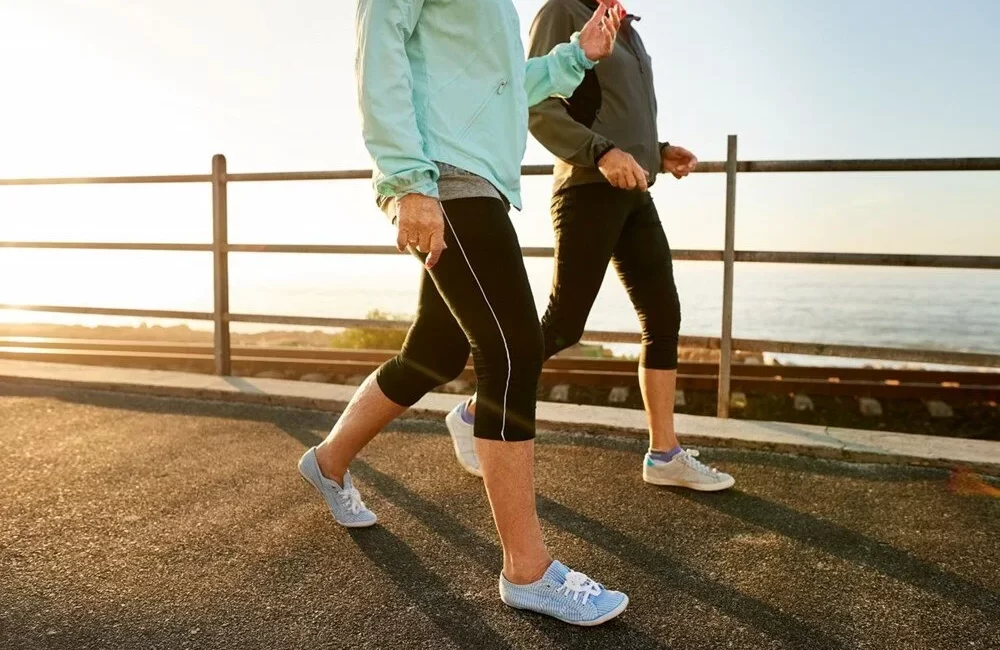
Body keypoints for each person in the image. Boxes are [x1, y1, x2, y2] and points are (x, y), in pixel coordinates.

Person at [299, 0, 632, 627]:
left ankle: (327, 461)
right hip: (443, 173)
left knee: (435, 351)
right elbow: (379, 53)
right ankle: (527, 571)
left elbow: (501, 84)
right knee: (513, 350)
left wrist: (574, 56)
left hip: (478, 177)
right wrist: (407, 180)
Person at [445, 0, 736, 492]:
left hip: (633, 190)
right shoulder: (562, 11)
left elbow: (613, 110)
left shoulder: (627, 29)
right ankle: (475, 412)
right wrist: (600, 152)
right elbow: (532, 103)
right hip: (586, 189)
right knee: (564, 324)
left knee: (663, 316)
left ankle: (664, 454)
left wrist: (656, 153)